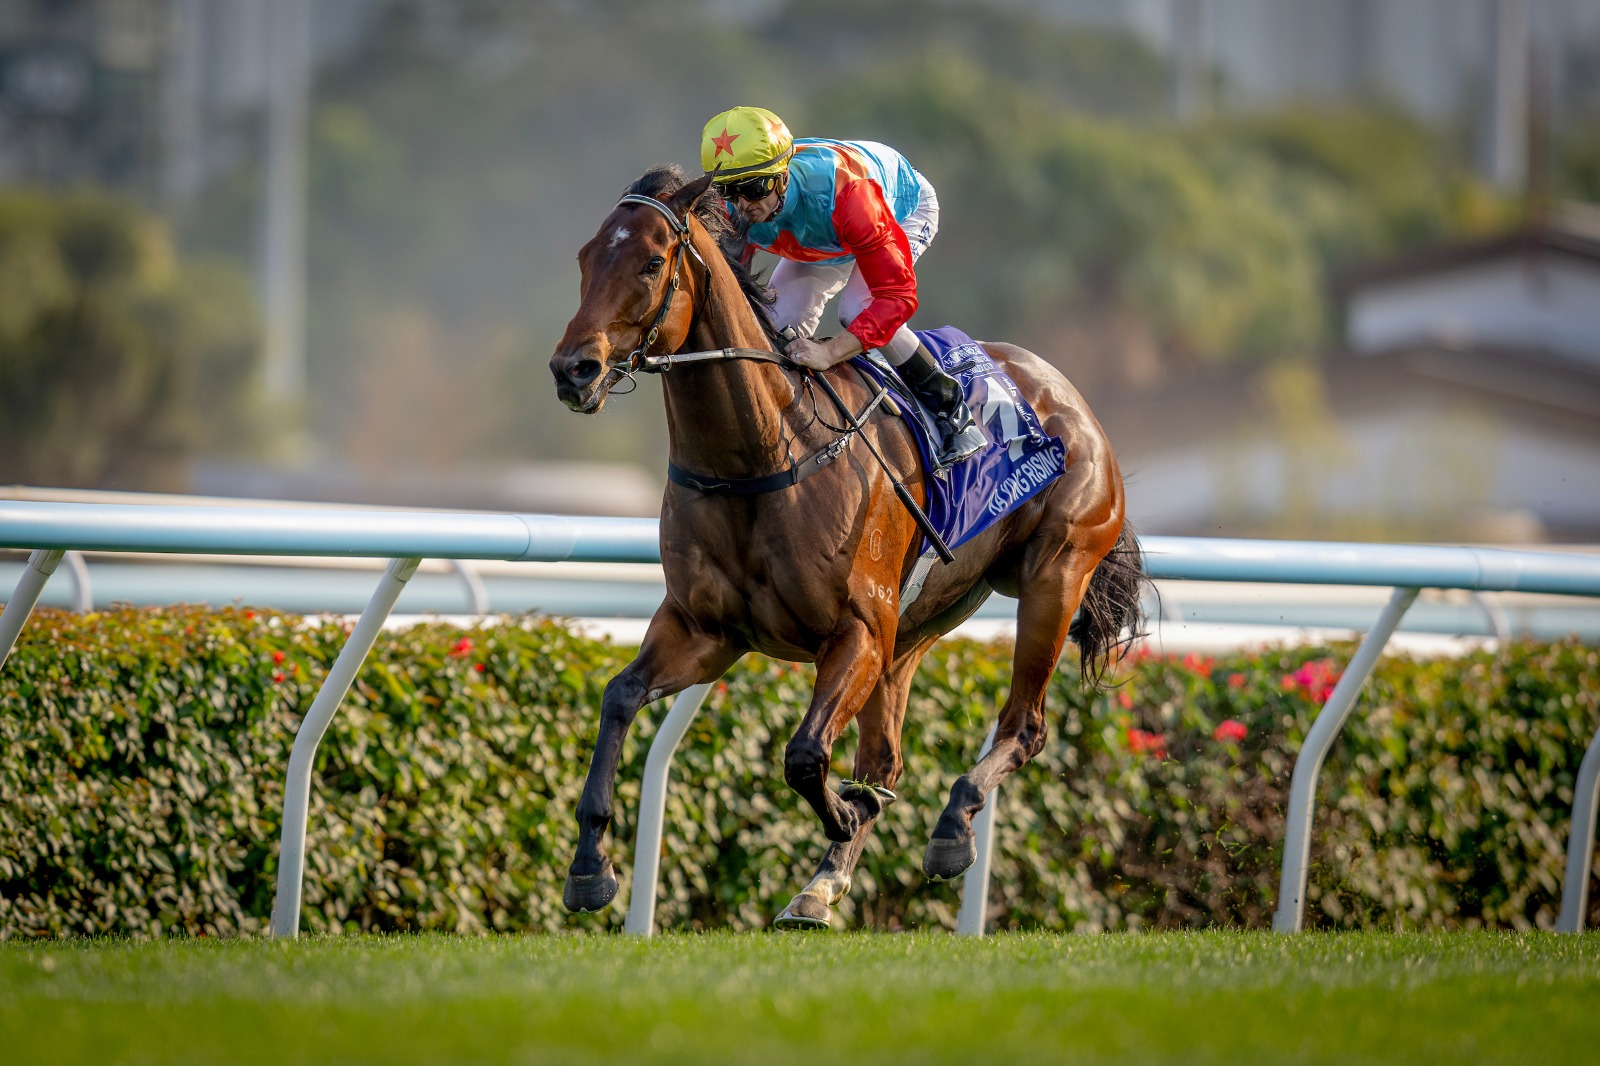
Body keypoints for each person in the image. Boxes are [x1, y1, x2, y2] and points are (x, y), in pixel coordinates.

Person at [700, 106, 986, 468]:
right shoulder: (735, 208)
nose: (742, 204)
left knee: (856, 310)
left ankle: (951, 412)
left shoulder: (849, 195)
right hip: (822, 232)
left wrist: (831, 352)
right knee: (771, 326)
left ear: (782, 175)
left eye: (753, 189)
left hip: (896, 210)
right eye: (729, 190)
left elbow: (897, 298)